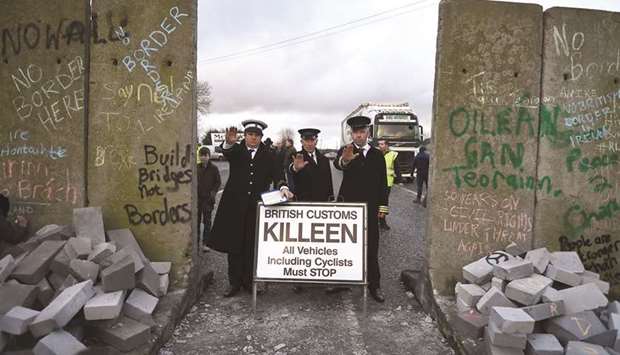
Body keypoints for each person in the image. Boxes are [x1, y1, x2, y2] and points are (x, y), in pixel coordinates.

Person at [207, 120, 294, 297]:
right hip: (234, 204)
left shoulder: (269, 154)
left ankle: (248, 281)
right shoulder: (237, 150)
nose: (253, 138)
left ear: (261, 137)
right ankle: (234, 283)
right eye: (250, 135)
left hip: (256, 205)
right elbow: (227, 151)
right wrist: (229, 143)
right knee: (234, 244)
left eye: (256, 135)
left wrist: (283, 187)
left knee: (251, 244)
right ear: (245, 136)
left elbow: (278, 174)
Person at [334, 116, 389, 303]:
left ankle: (375, 285)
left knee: (371, 247)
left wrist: (383, 206)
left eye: (362, 132)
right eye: (355, 132)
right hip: (349, 208)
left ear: (367, 133)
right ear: (352, 134)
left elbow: (383, 182)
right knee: (346, 245)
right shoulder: (345, 150)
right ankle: (342, 280)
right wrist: (345, 161)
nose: (358, 135)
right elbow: (338, 164)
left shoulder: (376, 154)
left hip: (370, 208)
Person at [289, 128, 334, 293]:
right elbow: (289, 172)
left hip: (321, 206)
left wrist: (331, 200)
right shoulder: (296, 156)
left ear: (316, 141)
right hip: (303, 206)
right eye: (306, 140)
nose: (309, 143)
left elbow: (328, 181)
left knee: (321, 243)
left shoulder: (322, 159)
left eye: (312, 140)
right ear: (301, 141)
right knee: (302, 243)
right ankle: (298, 279)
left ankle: (323, 276)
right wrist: (295, 169)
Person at [197, 146, 221, 252]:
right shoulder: (196, 167)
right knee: (196, 221)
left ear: (209, 156)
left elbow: (218, 182)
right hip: (197, 199)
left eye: (205, 155)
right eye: (201, 155)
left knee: (207, 222)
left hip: (208, 200)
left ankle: (205, 243)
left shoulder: (214, 168)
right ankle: (196, 242)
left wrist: (213, 193)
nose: (203, 158)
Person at [377, 139, 398, 230]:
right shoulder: (376, 154)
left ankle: (382, 222)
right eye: (379, 144)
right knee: (375, 201)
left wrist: (399, 180)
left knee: (384, 202)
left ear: (387, 145)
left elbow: (397, 167)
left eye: (382, 144)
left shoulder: (393, 154)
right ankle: (374, 220)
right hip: (376, 182)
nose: (380, 146)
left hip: (387, 182)